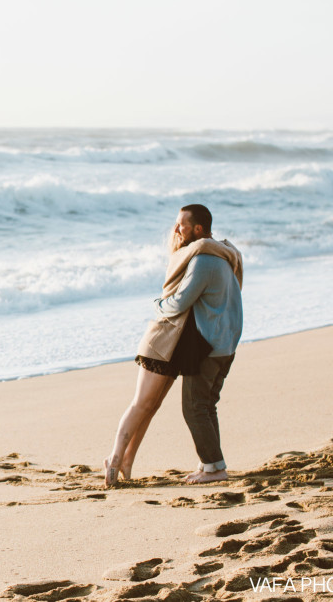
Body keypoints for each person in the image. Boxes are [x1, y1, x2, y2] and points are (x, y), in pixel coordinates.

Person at [104, 204, 243, 487]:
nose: (176, 229)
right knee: (206, 406)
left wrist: (158, 304)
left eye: (181, 224)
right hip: (226, 342)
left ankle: (214, 468)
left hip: (209, 345)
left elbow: (179, 302)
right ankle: (211, 464)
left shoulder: (203, 260)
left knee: (194, 407)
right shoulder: (225, 256)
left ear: (198, 229)